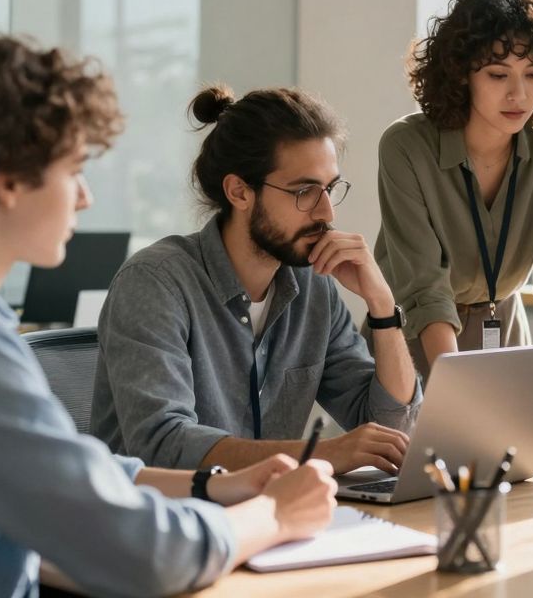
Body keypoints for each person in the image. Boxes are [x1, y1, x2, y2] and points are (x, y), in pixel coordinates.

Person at [0, 32, 337, 596]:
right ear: (7, 180)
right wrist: (274, 515)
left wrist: (216, 486)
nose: (85, 197)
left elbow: (69, 475)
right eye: (73, 169)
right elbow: (147, 553)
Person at [92, 84, 421, 474]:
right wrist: (324, 454)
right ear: (239, 192)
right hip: (164, 524)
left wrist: (382, 305)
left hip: (273, 519)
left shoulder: (313, 287)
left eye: (330, 189)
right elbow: (163, 445)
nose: (327, 212)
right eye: (304, 191)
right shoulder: (155, 283)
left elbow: (392, 430)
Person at [376, 0, 533, 431]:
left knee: (514, 482)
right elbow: (425, 291)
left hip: (504, 334)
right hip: (418, 340)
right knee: (422, 480)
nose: (518, 94)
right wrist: (460, 402)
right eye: (498, 75)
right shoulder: (406, 146)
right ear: (462, 74)